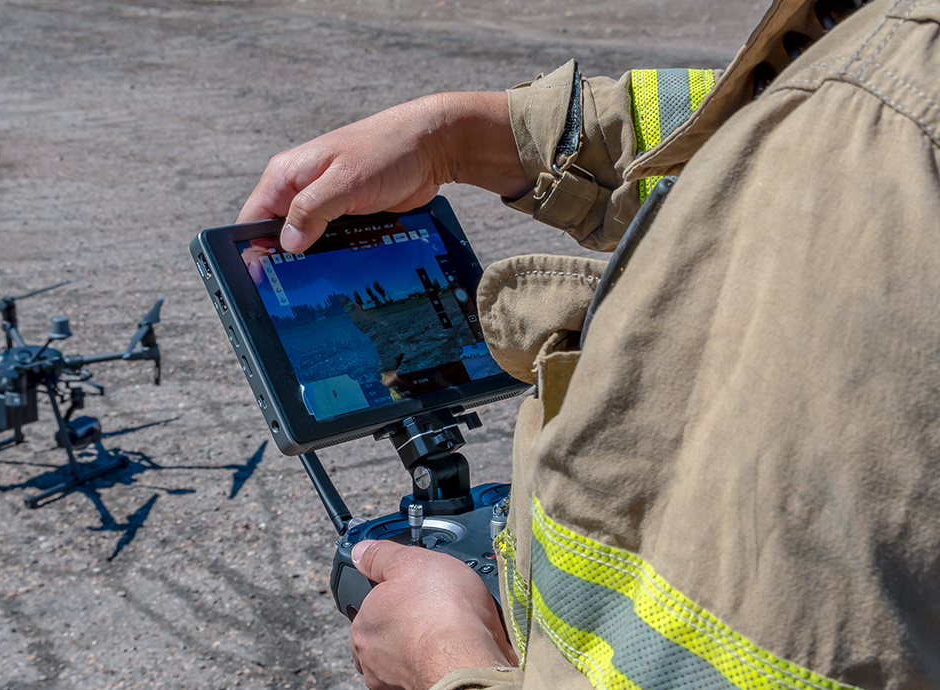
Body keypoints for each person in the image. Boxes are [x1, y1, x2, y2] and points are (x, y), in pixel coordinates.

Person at [238, 0, 940, 688]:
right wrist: (467, 136)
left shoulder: (899, 120)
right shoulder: (887, 70)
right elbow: (780, 121)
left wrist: (446, 661)